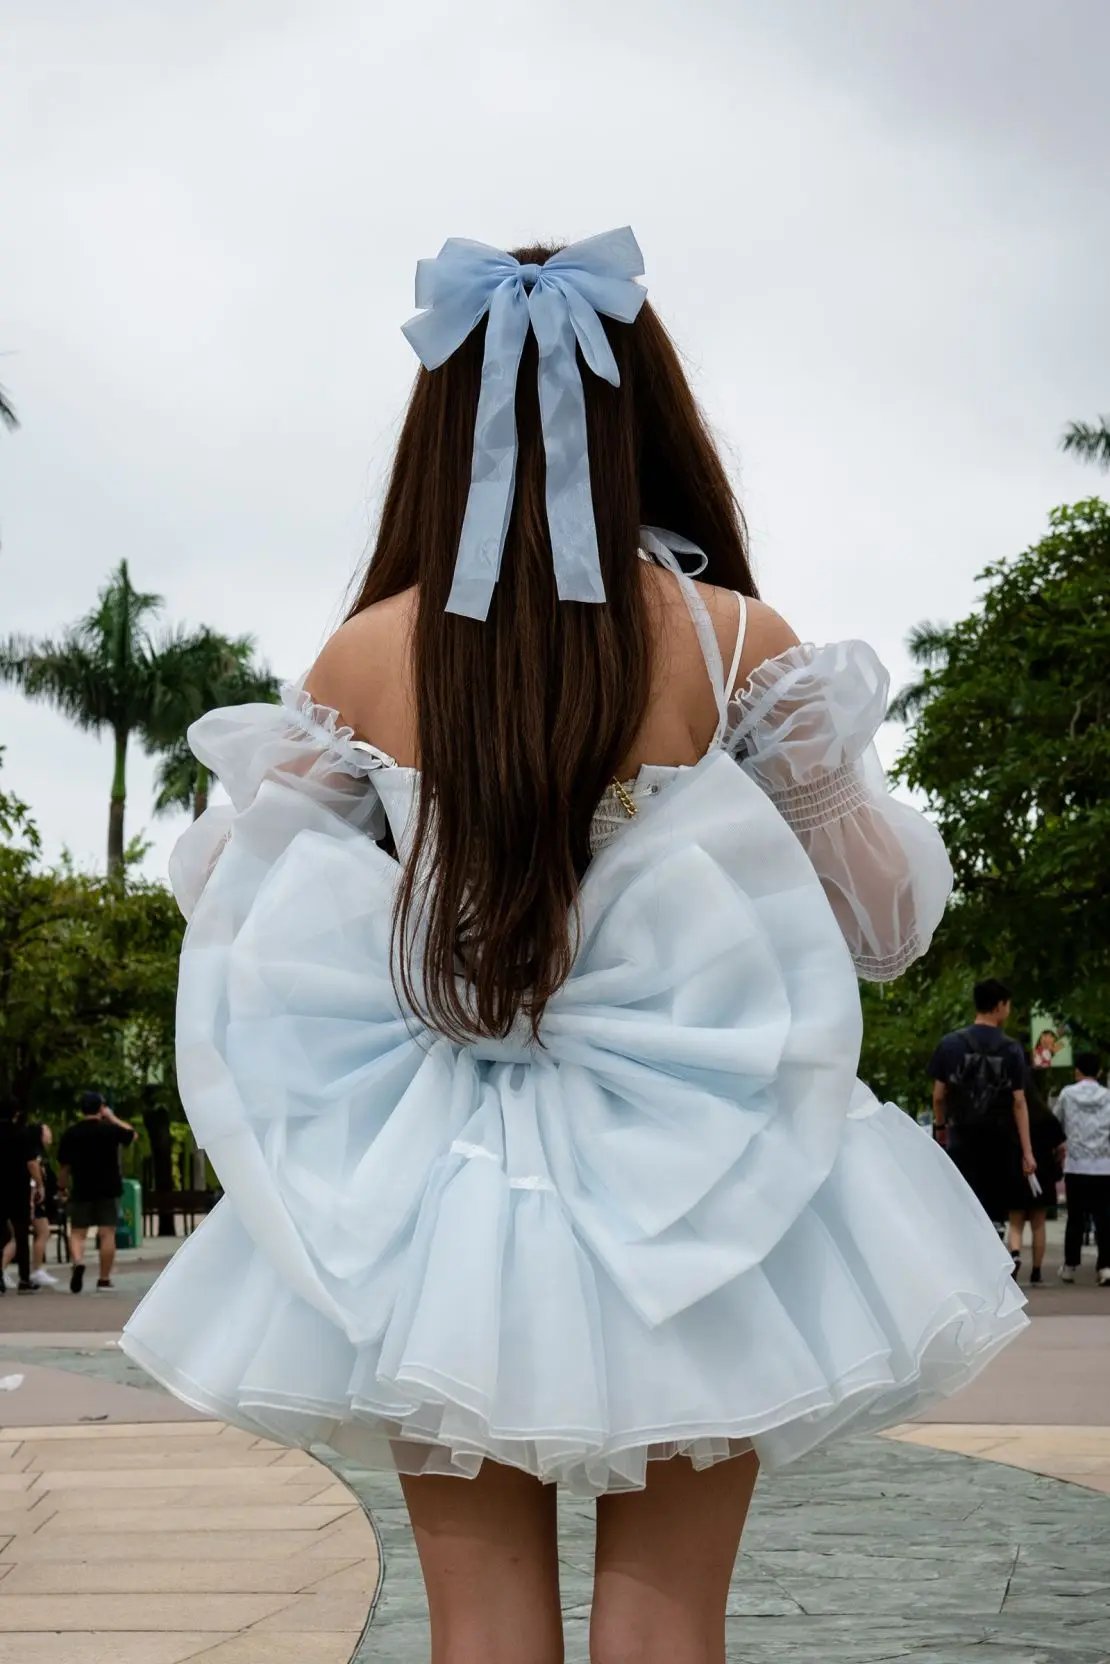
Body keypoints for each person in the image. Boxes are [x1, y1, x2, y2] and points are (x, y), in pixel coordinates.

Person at [121, 230, 1027, 1664]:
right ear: (637, 420)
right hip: (705, 1157)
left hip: (432, 1183)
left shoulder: (365, 655)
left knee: (477, 1630)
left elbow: (226, 896)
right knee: (669, 1628)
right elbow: (879, 924)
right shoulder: (730, 639)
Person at [929, 979, 1036, 1226]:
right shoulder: (1011, 1049)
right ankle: (994, 1249)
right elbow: (1018, 1102)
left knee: (963, 1206)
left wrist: (941, 1128)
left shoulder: (949, 1044)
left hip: (962, 1139)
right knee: (995, 1212)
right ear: (999, 1006)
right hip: (999, 1142)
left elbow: (938, 1096)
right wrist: (1027, 1151)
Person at [57, 1091, 135, 1294]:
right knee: (107, 1233)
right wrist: (111, 1116)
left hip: (82, 1187)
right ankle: (104, 1278)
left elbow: (64, 1167)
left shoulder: (71, 1134)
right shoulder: (110, 1130)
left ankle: (78, 1262)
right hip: (109, 1188)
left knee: (77, 1233)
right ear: (101, 1108)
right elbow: (131, 1134)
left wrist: (62, 1188)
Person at [1006, 1058, 1066, 1285]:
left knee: (1015, 1221)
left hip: (1016, 1169)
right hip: (1043, 1172)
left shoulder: (1011, 1114)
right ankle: (1037, 1272)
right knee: (1039, 1223)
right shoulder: (1047, 1117)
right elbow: (1061, 1146)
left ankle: (1015, 1253)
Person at [1055, 1053, 1110, 1286]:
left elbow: (1056, 1122)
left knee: (1075, 1217)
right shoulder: (1108, 1097)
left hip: (1076, 1164)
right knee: (1104, 1218)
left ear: (1077, 1071)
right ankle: (1105, 1267)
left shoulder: (1067, 1094)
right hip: (1104, 1165)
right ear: (1098, 1072)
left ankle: (1069, 1266)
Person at [2, 1123, 60, 1288]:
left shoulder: (32, 1151)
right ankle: (36, 1270)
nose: (50, 1134)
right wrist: (37, 1191)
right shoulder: (34, 1154)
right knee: (39, 1233)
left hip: (26, 1198)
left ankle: (19, 1270)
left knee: (22, 1236)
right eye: (47, 1131)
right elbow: (33, 1174)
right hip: (32, 1199)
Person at [0, 1105, 43, 1295]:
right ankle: (24, 1279)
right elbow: (32, 1163)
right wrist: (40, 1184)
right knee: (21, 1234)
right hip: (18, 1189)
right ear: (16, 1114)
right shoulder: (22, 1134)